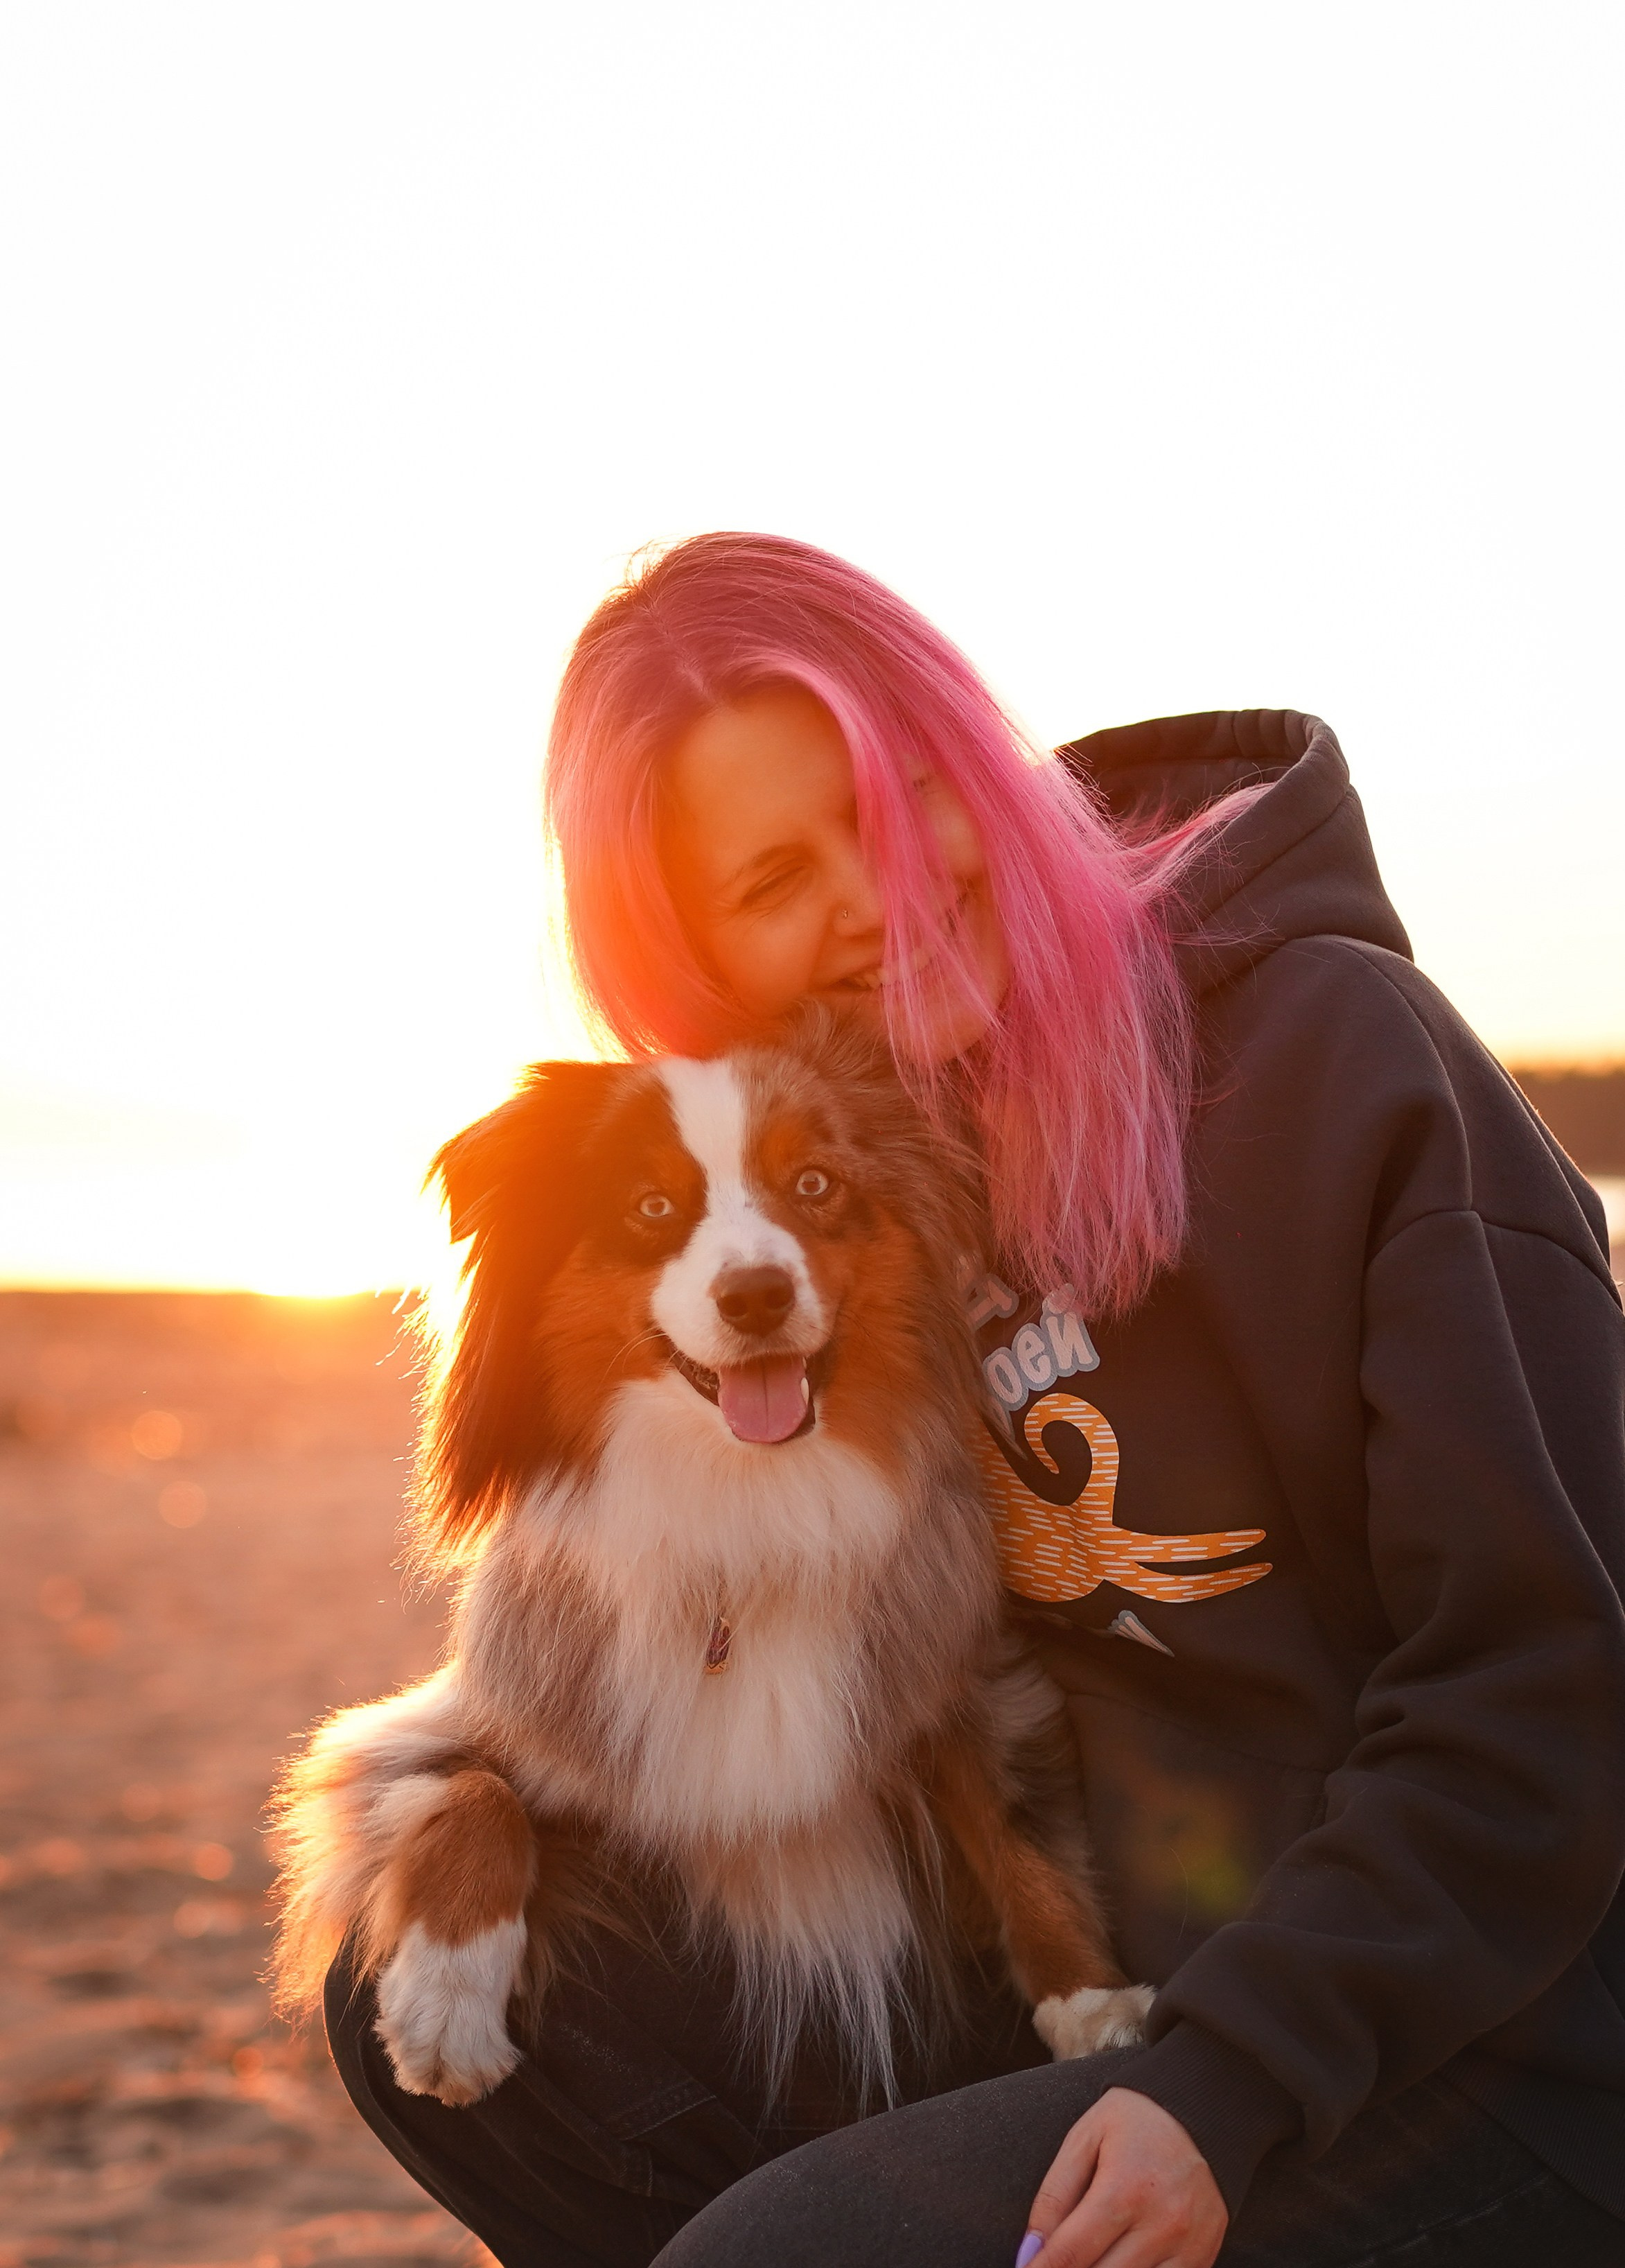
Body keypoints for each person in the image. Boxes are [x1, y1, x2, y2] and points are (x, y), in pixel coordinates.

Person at [324, 534, 1625, 2267]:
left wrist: (1225, 2083)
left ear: (983, 767)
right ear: (699, 960)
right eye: (778, 876)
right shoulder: (863, 1182)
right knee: (450, 2014)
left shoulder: (1348, 1061)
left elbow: (1551, 1686)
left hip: (1472, 2040)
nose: (871, 897)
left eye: (894, 798)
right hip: (1119, 1978)